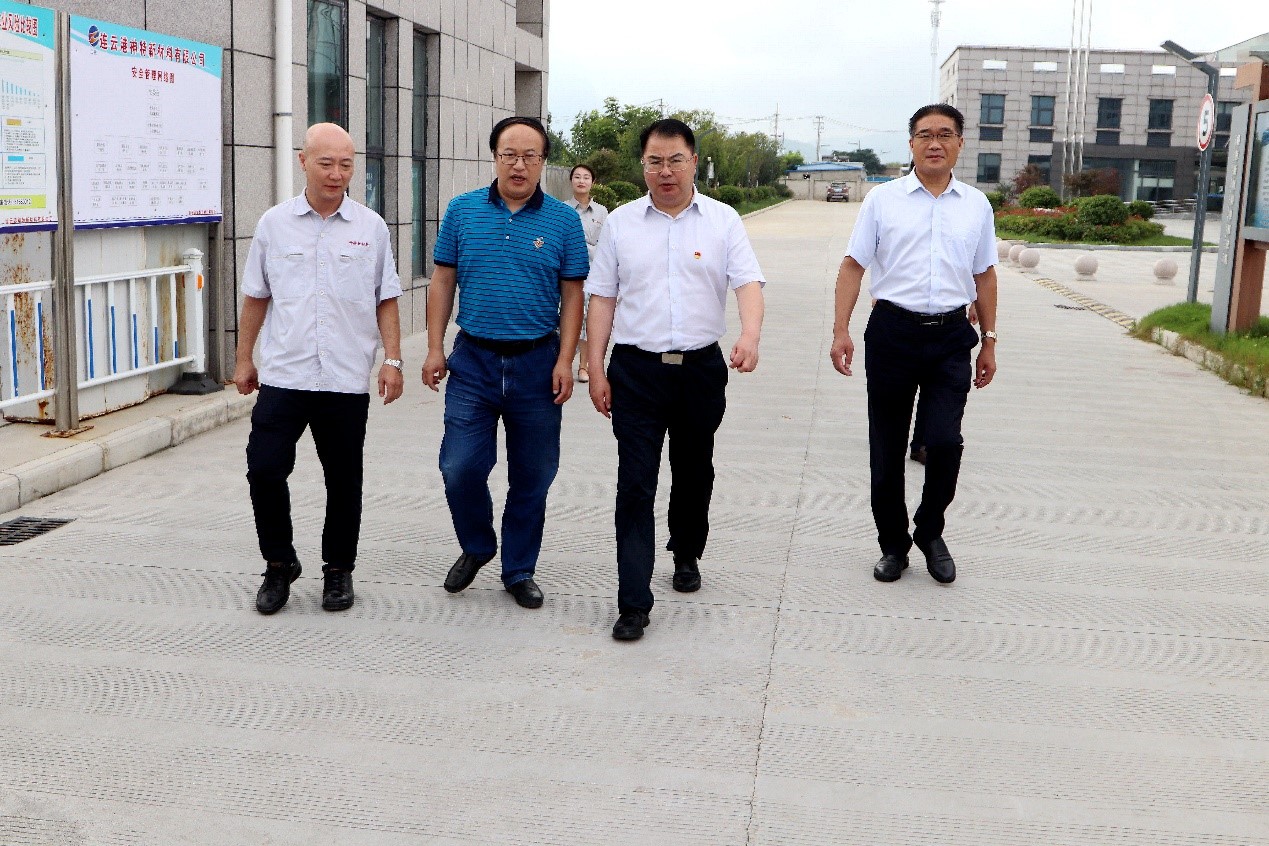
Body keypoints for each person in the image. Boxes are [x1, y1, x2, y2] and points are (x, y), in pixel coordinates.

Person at [586, 118, 766, 641]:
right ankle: (633, 602)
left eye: (675, 161)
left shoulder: (722, 220)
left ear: (693, 162)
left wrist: (749, 335)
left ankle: (686, 550)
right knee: (635, 483)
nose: (665, 172)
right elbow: (603, 297)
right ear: (642, 165)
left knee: (693, 470)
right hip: (636, 371)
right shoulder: (621, 223)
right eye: (655, 162)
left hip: (700, 370)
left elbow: (747, 283)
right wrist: (594, 366)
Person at [236, 122, 404, 615]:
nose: (336, 174)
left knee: (344, 480)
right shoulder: (273, 224)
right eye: (326, 163)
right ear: (303, 161)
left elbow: (387, 298)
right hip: (285, 375)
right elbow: (256, 296)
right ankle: (279, 563)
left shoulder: (371, 228)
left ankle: (338, 570)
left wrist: (392, 359)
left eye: (346, 164)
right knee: (264, 469)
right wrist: (244, 357)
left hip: (345, 378)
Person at [422, 116, 589, 610]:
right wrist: (434, 347)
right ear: (494, 157)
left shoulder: (563, 221)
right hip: (473, 361)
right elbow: (442, 281)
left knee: (533, 475)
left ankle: (519, 569)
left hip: (537, 363)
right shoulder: (462, 211)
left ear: (543, 161)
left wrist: (567, 358)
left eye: (530, 156)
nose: (519, 165)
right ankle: (477, 545)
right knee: (459, 467)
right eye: (509, 155)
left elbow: (573, 294)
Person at [830, 103, 997, 585]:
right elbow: (853, 265)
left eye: (945, 134)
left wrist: (989, 339)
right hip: (893, 332)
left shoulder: (976, 205)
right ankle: (893, 545)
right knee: (886, 447)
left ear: (960, 143)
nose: (934, 143)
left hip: (950, 336)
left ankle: (929, 530)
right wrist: (840, 330)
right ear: (911, 144)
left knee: (944, 441)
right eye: (925, 134)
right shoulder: (882, 201)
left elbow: (985, 274)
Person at [565, 163, 608, 384]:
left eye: (586, 177)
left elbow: (605, 244)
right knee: (566, 317)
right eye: (577, 177)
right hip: (566, 273)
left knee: (587, 319)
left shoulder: (602, 212)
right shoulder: (561, 209)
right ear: (571, 181)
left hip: (592, 273)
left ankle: (584, 366)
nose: (581, 181)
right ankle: (563, 363)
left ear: (593, 182)